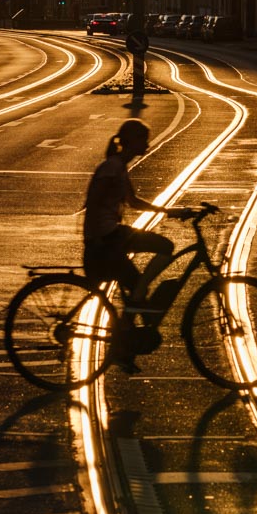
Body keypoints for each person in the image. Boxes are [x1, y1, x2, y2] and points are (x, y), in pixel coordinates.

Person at [82, 119, 191, 370]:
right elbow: (93, 203)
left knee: (135, 296)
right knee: (164, 247)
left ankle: (124, 349)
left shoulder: (118, 166)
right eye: (143, 140)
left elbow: (132, 202)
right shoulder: (111, 167)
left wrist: (168, 212)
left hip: (111, 236)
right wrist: (94, 240)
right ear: (131, 141)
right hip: (108, 239)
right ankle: (125, 343)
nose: (147, 144)